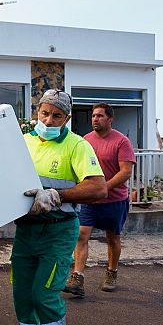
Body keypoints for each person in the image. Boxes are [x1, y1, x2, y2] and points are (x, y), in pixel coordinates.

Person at [6, 90, 107, 325]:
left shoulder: (76, 146)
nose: (49, 121)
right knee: (23, 297)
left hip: (57, 231)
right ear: (37, 112)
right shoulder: (23, 142)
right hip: (26, 232)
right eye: (44, 113)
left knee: (44, 296)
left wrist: (58, 196)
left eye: (57, 116)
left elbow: (99, 187)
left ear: (67, 118)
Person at [64, 103, 135, 297]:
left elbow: (126, 171)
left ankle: (112, 272)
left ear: (110, 119)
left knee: (112, 238)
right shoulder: (85, 141)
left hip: (115, 201)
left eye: (100, 116)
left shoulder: (121, 142)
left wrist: (103, 188)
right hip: (90, 202)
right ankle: (77, 277)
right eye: (94, 116)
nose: (95, 119)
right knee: (81, 235)